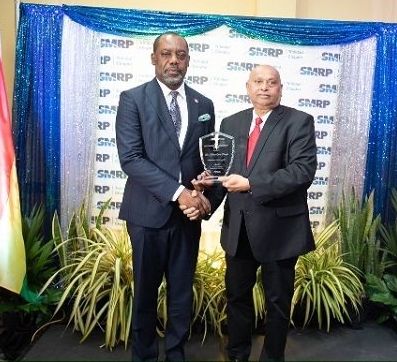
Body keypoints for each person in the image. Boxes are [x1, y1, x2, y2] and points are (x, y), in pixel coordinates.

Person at [185, 64, 318, 361]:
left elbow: (301, 172)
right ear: (248, 87)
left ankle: (272, 358)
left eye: (272, 83)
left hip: (279, 232)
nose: (264, 87)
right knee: (236, 299)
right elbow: (225, 176)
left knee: (278, 303)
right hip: (239, 230)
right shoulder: (232, 123)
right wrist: (207, 191)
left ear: (280, 89)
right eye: (258, 81)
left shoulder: (299, 122)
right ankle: (236, 355)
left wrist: (251, 183)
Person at [115, 32, 214, 362]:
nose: (174, 60)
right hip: (147, 215)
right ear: (154, 58)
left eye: (181, 55)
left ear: (188, 60)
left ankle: (176, 355)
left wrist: (201, 190)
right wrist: (180, 193)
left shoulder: (204, 104)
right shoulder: (133, 99)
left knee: (181, 295)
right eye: (167, 53)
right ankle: (144, 357)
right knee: (144, 293)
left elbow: (205, 160)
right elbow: (131, 158)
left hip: (187, 220)